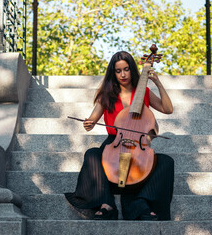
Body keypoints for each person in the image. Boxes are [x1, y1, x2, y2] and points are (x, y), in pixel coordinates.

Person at [65, 51, 174, 221]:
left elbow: (167, 109)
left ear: (132, 70)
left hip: (138, 148)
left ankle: (140, 203)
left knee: (167, 162)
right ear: (113, 73)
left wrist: (158, 83)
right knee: (92, 154)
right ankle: (106, 204)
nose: (123, 74)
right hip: (114, 143)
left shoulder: (143, 92)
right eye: (118, 71)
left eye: (126, 69)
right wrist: (89, 123)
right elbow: (92, 120)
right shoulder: (106, 94)